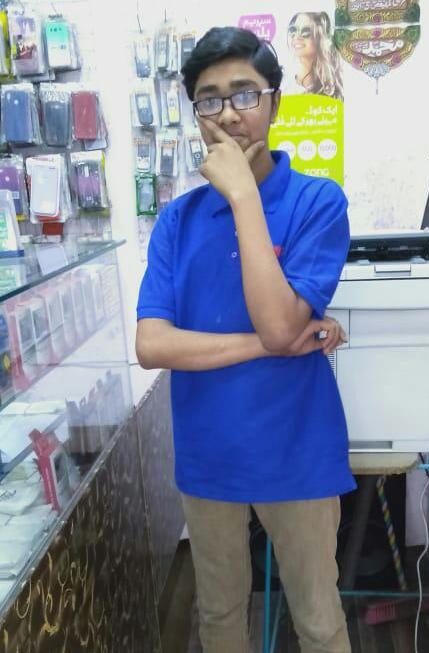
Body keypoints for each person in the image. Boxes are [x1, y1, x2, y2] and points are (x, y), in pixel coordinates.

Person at [136, 26, 354, 653]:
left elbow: (282, 324)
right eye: (209, 100)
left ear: (274, 102)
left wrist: (242, 196)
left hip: (297, 449)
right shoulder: (177, 221)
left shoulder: (318, 202)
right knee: (219, 617)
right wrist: (268, 345)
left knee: (318, 621)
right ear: (195, 113)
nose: (229, 114)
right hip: (209, 455)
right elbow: (153, 345)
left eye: (245, 94)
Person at [287, 11, 344, 100]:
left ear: (320, 38)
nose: (296, 37)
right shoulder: (284, 85)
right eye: (293, 30)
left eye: (305, 33)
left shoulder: (331, 86)